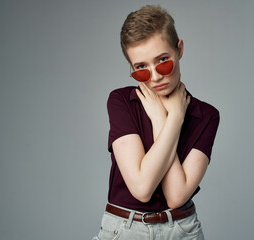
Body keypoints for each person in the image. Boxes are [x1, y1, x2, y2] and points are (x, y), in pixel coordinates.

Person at [93, 5, 219, 240]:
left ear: (179, 49)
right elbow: (142, 188)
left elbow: (175, 196)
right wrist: (171, 119)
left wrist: (170, 118)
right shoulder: (122, 101)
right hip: (125, 230)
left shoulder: (207, 115)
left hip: (182, 231)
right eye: (141, 68)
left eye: (163, 61)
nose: (156, 76)